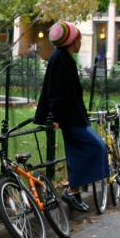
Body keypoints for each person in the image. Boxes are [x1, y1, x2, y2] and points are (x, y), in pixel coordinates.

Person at [34, 21, 109, 213]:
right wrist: (55, 116)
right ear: (72, 41)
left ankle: (74, 191)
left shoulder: (63, 57)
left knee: (77, 153)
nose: (81, 43)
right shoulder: (61, 59)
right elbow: (56, 91)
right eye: (79, 39)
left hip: (72, 117)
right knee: (97, 147)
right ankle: (72, 189)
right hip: (69, 118)